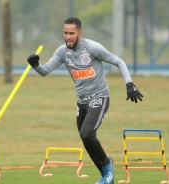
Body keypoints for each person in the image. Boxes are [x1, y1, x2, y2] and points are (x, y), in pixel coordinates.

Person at [27, 17, 143, 184]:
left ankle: (107, 165)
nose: (68, 36)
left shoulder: (93, 48)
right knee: (86, 138)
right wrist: (35, 65)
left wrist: (130, 84)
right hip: (81, 102)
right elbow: (45, 71)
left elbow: (118, 61)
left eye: (71, 33)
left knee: (86, 133)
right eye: (65, 33)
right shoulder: (62, 51)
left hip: (99, 97)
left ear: (79, 33)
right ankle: (105, 176)